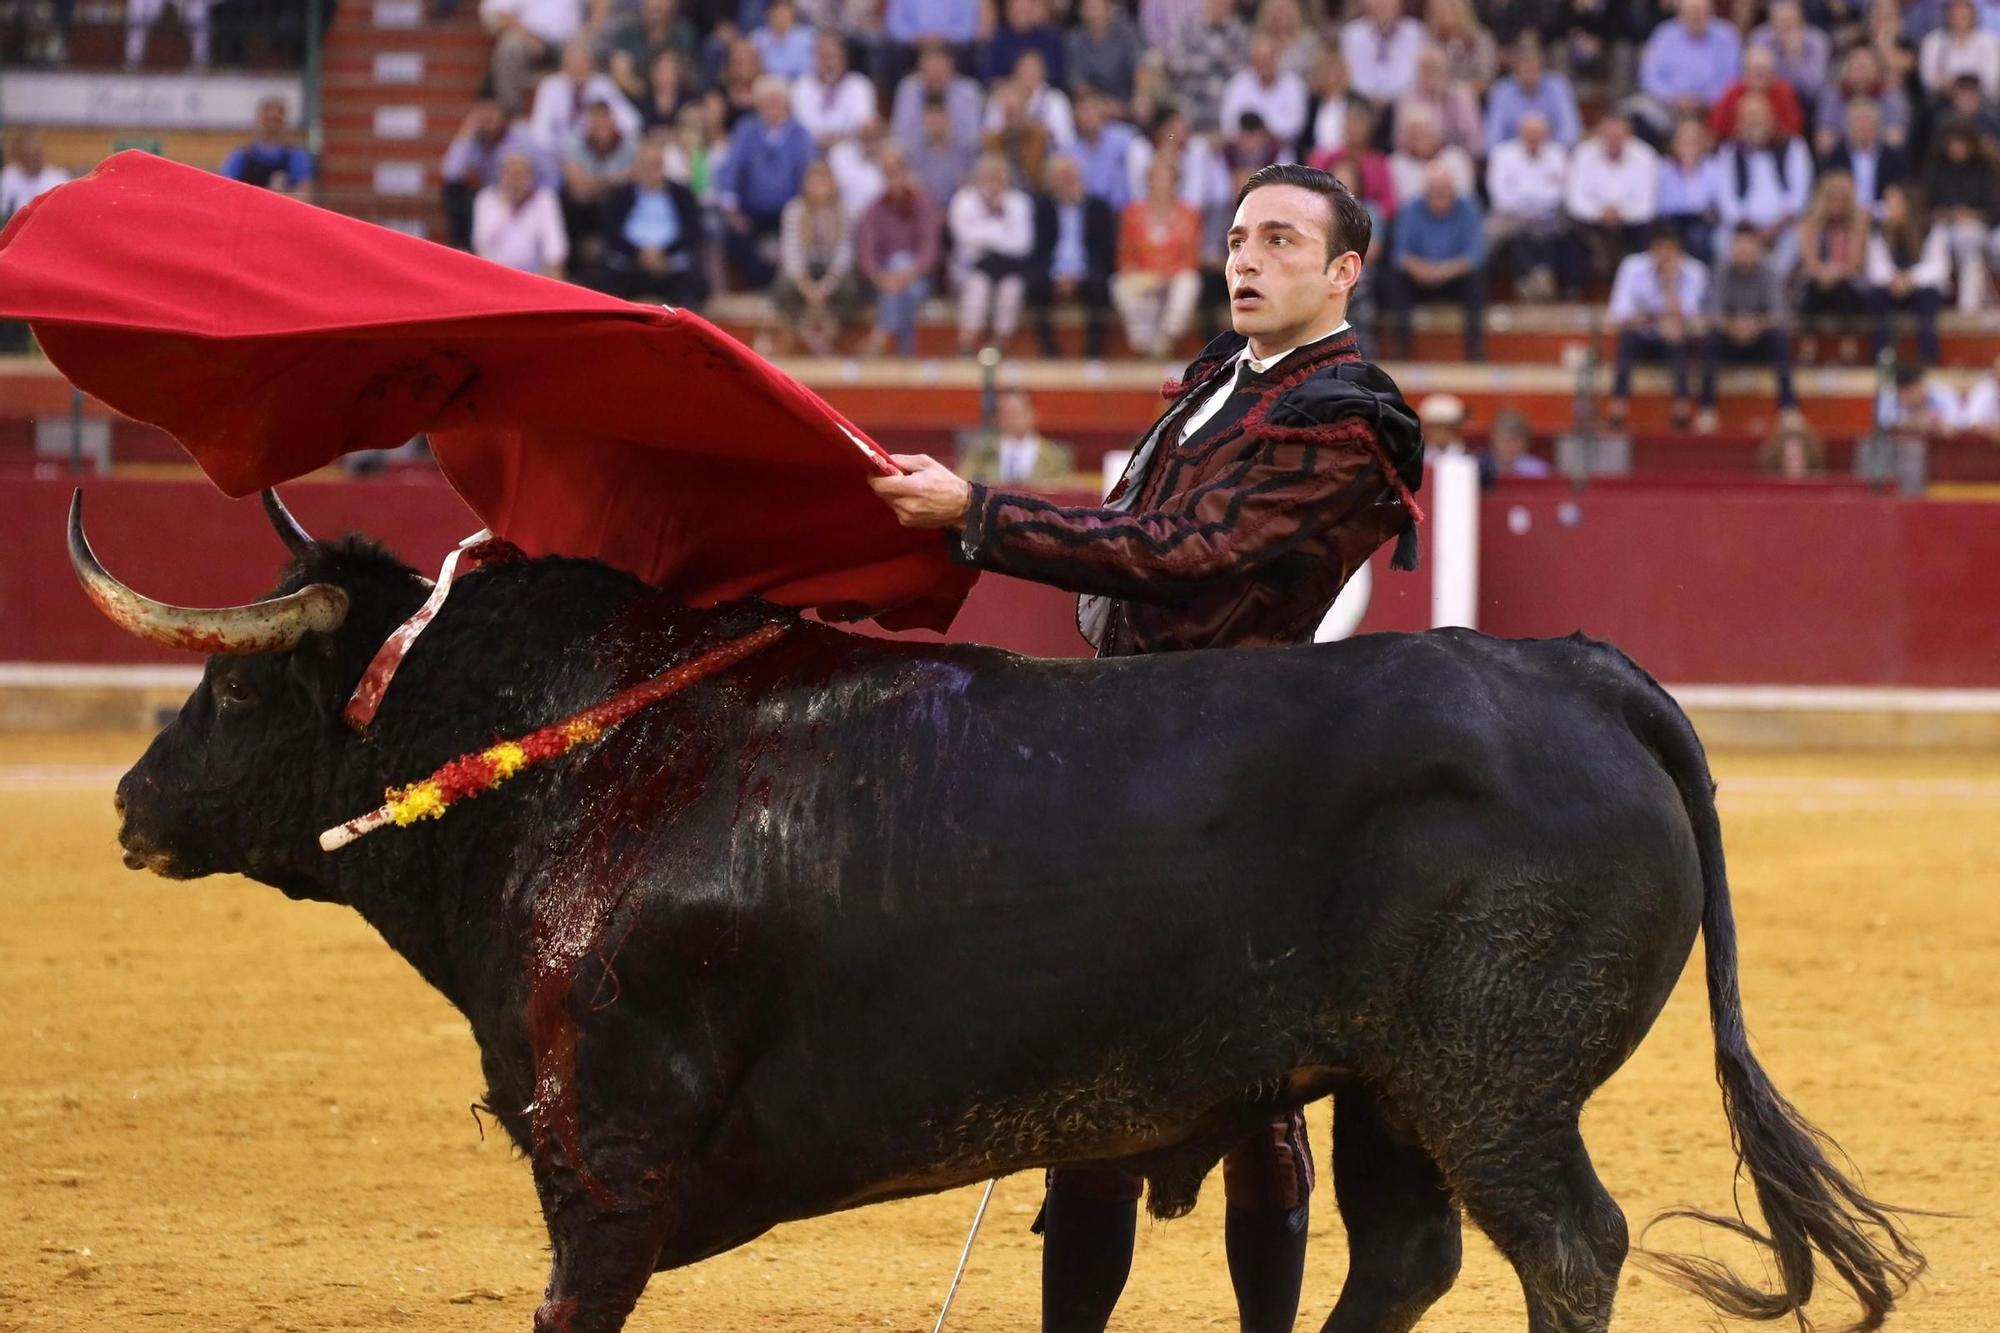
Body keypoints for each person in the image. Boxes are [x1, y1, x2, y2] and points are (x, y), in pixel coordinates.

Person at [867, 161, 1423, 1333]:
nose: (1244, 258)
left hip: (1244, 768)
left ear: (1341, 272)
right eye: (1234, 238)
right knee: (1090, 1075)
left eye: (1278, 240)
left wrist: (977, 515)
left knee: (1255, 1086)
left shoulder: (1347, 414)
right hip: (1129, 753)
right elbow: (1133, 524)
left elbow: (1184, 551)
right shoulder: (1222, 376)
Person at [716, 74, 816, 289]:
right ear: (758, 105)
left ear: (786, 104)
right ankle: (757, 288)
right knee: (733, 233)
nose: (772, 107)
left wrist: (802, 207)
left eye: (777, 101)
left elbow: (808, 175)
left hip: (790, 207)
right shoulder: (746, 130)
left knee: (796, 229)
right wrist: (731, 208)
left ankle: (787, 288)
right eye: (766, 102)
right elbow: (731, 169)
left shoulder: (801, 134)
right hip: (751, 208)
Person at [1381, 160, 1485, 360]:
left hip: (1455, 277)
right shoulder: (1411, 208)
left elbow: (1476, 254)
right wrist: (1421, 269)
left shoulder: (1469, 208)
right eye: (1435, 190)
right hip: (1419, 278)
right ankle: (1402, 349)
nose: (1439, 195)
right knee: (1394, 277)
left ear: (1453, 190)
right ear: (1425, 190)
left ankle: (1475, 349)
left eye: (1444, 190)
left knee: (1477, 278)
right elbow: (1399, 253)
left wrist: (1447, 270)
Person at [1699, 224, 1798, 432]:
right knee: (1711, 339)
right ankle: (1707, 409)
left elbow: (1780, 315)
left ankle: (1788, 409)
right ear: (1732, 248)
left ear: (1758, 248)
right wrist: (1733, 326)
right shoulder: (1721, 271)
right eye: (1739, 246)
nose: (1743, 251)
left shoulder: (1770, 272)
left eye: (1748, 246)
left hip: (1760, 340)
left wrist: (1755, 325)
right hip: (1729, 339)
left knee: (1779, 338)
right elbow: (1712, 314)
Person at [1608, 224, 1708, 427]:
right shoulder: (1632, 266)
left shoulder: (1695, 271)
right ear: (1651, 249)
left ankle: (1681, 404)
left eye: (1670, 249)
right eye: (1660, 248)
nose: (1664, 255)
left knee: (1677, 338)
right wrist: (1652, 321)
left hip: (1676, 335)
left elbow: (1691, 317)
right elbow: (1619, 312)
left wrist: (1669, 286)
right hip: (1641, 332)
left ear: (1680, 250)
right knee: (1627, 339)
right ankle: (1618, 404)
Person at [590, 139, 707, 306]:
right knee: (602, 283)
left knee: (696, 286)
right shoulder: (621, 195)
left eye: (656, 165)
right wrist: (641, 253)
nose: (651, 170)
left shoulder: (682, 195)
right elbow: (611, 231)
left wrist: (663, 253)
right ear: (638, 167)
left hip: (670, 265)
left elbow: (692, 231)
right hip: (630, 264)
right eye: (646, 165)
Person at [1112, 156, 1205, 357]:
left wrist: (1165, 275)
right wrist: (1141, 274)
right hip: (1144, 275)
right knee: (1120, 284)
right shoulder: (1132, 213)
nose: (1161, 185)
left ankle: (1169, 335)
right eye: (1156, 179)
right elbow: (1125, 256)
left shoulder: (1189, 214)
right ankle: (1143, 342)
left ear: (1175, 183)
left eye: (1167, 179)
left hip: (1175, 275)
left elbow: (1191, 258)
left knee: (1189, 281)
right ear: (1148, 182)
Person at [770, 160, 865, 355]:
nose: (820, 186)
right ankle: (807, 333)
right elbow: (791, 253)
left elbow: (844, 255)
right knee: (783, 287)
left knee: (851, 288)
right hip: (804, 270)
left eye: (825, 180)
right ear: (806, 184)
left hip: (831, 271)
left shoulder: (844, 210)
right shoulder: (795, 210)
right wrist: (807, 287)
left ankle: (829, 331)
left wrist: (824, 288)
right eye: (815, 180)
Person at [855, 145, 942, 357]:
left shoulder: (924, 205)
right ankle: (906, 354)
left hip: (919, 277)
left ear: (907, 173)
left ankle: (880, 336)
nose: (894, 179)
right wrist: (882, 278)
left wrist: (906, 275)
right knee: (906, 293)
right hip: (883, 281)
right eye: (888, 174)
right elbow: (866, 256)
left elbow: (929, 252)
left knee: (904, 274)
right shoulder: (873, 209)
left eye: (897, 172)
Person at [1030, 155, 1117, 359]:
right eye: (1060, 179)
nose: (1066, 184)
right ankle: (1048, 350)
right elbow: (1038, 250)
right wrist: (1058, 275)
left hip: (1087, 269)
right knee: (1035, 286)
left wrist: (1078, 275)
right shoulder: (1042, 208)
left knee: (1099, 286)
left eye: (1070, 178)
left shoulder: (1098, 208)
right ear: (1051, 183)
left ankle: (1093, 352)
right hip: (1052, 270)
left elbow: (1105, 250)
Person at [949, 152, 1036, 354]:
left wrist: (986, 232)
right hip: (971, 266)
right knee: (978, 286)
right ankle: (967, 344)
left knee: (1011, 288)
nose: (993, 183)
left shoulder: (1019, 202)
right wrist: (1001, 230)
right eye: (988, 177)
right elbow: (965, 237)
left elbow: (1023, 244)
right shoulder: (965, 200)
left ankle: (998, 346)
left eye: (999, 178)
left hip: (1009, 267)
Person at [1484, 109, 1571, 299]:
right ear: (1519, 132)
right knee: (1492, 232)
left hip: (1549, 217)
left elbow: (1560, 193)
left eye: (1538, 133)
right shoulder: (1503, 154)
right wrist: (1532, 201)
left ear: (1546, 134)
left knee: (1561, 227)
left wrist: (1528, 199)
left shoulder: (1557, 154)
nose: (1533, 137)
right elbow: (1500, 195)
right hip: (1511, 215)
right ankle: (1532, 280)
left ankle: (1544, 280)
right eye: (1529, 133)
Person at [1564, 111, 1659, 278]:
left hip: (1632, 222)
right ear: (1599, 134)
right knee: (1569, 233)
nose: (1614, 141)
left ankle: (1642, 284)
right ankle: (1574, 292)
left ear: (1629, 135)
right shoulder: (1583, 154)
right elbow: (1575, 200)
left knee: (1649, 231)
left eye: (1619, 136)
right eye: (1609, 136)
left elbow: (1648, 203)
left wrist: (1621, 213)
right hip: (1591, 221)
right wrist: (1600, 213)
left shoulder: (1646, 156)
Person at [1713, 93, 1812, 250]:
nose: (1754, 122)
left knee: (1799, 238)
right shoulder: (1729, 152)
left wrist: (1776, 227)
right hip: (1744, 228)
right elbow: (1726, 200)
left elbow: (1799, 196)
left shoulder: (1794, 146)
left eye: (1758, 116)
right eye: (1748, 118)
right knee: (1721, 241)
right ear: (1739, 122)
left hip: (1784, 226)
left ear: (1771, 117)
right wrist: (1748, 228)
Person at [1866, 182, 1950, 365]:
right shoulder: (1879, 229)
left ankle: (1927, 358)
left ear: (1907, 205)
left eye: (1892, 203)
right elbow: (1876, 267)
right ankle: (1883, 358)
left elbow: (1939, 267)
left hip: (1919, 287)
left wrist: (1910, 278)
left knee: (1928, 297)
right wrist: (1894, 279)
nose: (1887, 208)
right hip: (1892, 287)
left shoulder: (1931, 228)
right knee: (1877, 297)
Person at [1793, 171, 1871, 357]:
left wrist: (1835, 273)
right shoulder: (1810, 224)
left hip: (1846, 280)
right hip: (1818, 280)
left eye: (1842, 199)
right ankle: (1808, 345)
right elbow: (1809, 261)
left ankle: (1848, 346)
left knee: (1845, 290)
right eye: (1832, 198)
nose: (1837, 204)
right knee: (1810, 287)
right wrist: (1823, 273)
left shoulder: (1858, 224)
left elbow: (1855, 263)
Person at [1635, 0, 1742, 134]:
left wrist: (1703, 99)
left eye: (1701, 12)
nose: (1696, 17)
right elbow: (1649, 76)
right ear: (1680, 14)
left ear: (1711, 13)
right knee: (1640, 112)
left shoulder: (1726, 35)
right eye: (1691, 13)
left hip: (1711, 106)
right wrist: (1673, 97)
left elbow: (1733, 77)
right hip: (1668, 105)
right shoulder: (1663, 34)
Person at [1926, 123, 2000, 311]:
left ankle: (1970, 305)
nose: (1956, 148)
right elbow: (1927, 206)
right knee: (1966, 247)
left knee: (1970, 239)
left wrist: (1972, 214)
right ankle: (1968, 307)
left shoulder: (1984, 169)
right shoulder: (1938, 170)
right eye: (1952, 143)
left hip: (1981, 227)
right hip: (1946, 229)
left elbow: (1994, 210)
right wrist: (1945, 214)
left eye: (1960, 143)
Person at [531, 39, 644, 150]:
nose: (578, 72)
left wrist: (609, 138)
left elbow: (631, 121)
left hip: (591, 152)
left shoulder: (603, 85)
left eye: (582, 66)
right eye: (573, 67)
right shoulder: (550, 86)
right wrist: (559, 152)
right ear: (563, 67)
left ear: (591, 67)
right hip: (556, 150)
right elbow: (540, 129)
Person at [473, 150, 569, 277]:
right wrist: (507, 204)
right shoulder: (486, 199)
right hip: (495, 275)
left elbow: (555, 248)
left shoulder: (544, 199)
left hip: (535, 277)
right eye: (511, 174)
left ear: (532, 177)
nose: (516, 180)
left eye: (521, 174)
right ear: (501, 175)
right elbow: (481, 244)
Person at [1482, 34, 1582, 153]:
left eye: (1533, 68)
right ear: (1515, 70)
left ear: (1541, 66)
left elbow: (1570, 130)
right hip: (1514, 153)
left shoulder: (1558, 86)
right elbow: (1492, 136)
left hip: (1550, 150)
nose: (1530, 73)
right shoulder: (1501, 90)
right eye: (1525, 68)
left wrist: (1553, 150)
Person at [956, 388, 1078, 485]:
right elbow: (963, 484)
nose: (1013, 419)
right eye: (1006, 413)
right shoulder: (980, 452)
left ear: (1032, 414)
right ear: (997, 418)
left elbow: (1065, 492)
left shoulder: (1055, 456)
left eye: (1017, 412)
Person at [482, 0, 582, 115]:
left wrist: (592, 28)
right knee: (510, 46)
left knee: (581, 52)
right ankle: (511, 111)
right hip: (528, 38)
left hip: (570, 40)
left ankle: (580, 115)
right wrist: (528, 36)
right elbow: (496, 11)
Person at [1815, 98, 1911, 216]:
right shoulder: (1834, 158)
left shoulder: (1893, 158)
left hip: (1883, 216)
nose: (1863, 127)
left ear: (1877, 126)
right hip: (1845, 217)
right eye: (1858, 122)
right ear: (1848, 126)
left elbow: (1900, 190)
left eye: (1867, 122)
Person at [891, 40, 983, 160]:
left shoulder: (968, 92)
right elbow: (900, 135)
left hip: (961, 161)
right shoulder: (908, 89)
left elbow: (973, 138)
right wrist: (929, 135)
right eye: (929, 73)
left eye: (939, 74)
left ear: (952, 70)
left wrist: (943, 135)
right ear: (920, 70)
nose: (934, 79)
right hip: (915, 162)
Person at [792, 30, 878, 149]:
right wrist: (823, 139)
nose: (828, 63)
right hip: (812, 150)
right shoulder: (802, 86)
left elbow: (862, 126)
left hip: (850, 149)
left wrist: (839, 139)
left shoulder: (859, 85)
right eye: (822, 57)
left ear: (844, 58)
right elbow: (802, 126)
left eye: (832, 56)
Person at [1220, 35, 1310, 146]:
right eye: (1260, 60)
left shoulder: (1294, 85)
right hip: (1243, 148)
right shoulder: (1237, 84)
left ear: (1277, 59)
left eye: (1269, 59)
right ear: (1252, 61)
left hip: (1280, 148)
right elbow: (1229, 124)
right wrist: (1251, 138)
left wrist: (1267, 133)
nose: (1265, 64)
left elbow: (1296, 126)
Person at [1656, 117, 1724, 262]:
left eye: (1693, 141)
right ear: (1674, 143)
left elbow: (1714, 201)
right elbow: (1663, 203)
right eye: (1684, 141)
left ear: (1703, 142)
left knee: (1699, 238)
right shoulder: (1665, 168)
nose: (1689, 146)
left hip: (1702, 221)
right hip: (1671, 221)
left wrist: (1692, 170)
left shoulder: (1713, 167)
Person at [220, 96, 315, 198]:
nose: (271, 126)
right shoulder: (242, 154)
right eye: (268, 120)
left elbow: (304, 193)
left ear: (284, 122)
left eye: (276, 120)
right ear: (259, 120)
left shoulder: (296, 155)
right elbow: (226, 191)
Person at [1339, 0, 1427, 105]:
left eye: (1388, 6)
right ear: (1368, 9)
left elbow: (1415, 76)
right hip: (1361, 102)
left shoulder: (1416, 33)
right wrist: (1369, 95)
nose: (1383, 12)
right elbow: (1349, 75)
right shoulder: (1351, 34)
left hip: (1402, 103)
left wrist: (1390, 97)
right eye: (1378, 6)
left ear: (1399, 8)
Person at [1068, 0, 1145, 110]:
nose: (1094, 14)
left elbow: (1140, 67)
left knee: (1145, 100)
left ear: (1108, 9)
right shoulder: (1074, 42)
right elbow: (1079, 86)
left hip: (1129, 98)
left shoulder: (1126, 32)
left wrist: (1140, 96)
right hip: (1096, 103)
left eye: (1097, 8)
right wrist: (1105, 105)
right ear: (1081, 12)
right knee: (1086, 107)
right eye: (1089, 8)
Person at [1918, 0, 2000, 98]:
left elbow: (1990, 79)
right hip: (1944, 99)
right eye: (1955, 16)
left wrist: (1960, 86)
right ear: (1947, 16)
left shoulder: (1988, 41)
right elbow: (1928, 79)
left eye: (1964, 16)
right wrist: (1954, 89)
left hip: (1981, 100)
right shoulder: (1933, 41)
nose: (1959, 20)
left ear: (1973, 16)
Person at [0, 131, 69, 222]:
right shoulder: (7, 176)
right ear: (18, 156)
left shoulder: (59, 179)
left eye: (35, 156)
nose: (31, 161)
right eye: (26, 156)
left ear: (41, 155)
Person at [1480, 406, 1553, 483]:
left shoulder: (1540, 472)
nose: (1508, 447)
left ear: (1526, 444)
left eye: (1515, 441)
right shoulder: (1479, 467)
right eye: (1504, 440)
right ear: (1493, 440)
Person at [1756, 419, 1827, 479]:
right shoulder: (1768, 484)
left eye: (1797, 458)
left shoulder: (1821, 482)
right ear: (1779, 459)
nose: (1793, 466)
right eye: (1789, 458)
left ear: (1809, 458)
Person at [1960, 351, 2000, 440]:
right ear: (1994, 375)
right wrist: (1992, 430)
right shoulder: (1983, 391)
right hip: (1985, 446)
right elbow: (1971, 423)